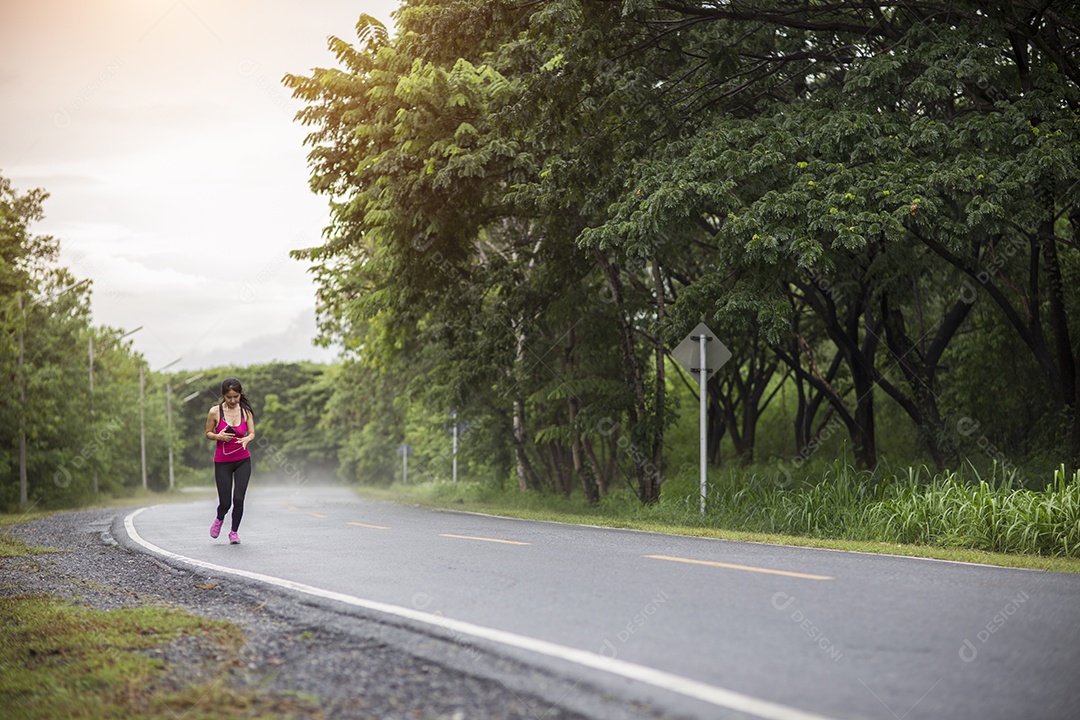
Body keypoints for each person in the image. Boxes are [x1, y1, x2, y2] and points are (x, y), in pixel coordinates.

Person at [205, 377, 256, 544]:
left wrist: (247, 439)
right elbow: (208, 433)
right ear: (223, 396)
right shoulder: (215, 412)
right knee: (225, 503)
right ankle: (219, 518)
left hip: (243, 461)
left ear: (240, 395)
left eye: (236, 396)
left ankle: (234, 532)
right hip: (222, 463)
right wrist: (218, 436)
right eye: (229, 397)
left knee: (239, 499)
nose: (233, 400)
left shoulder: (246, 411)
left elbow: (251, 433)